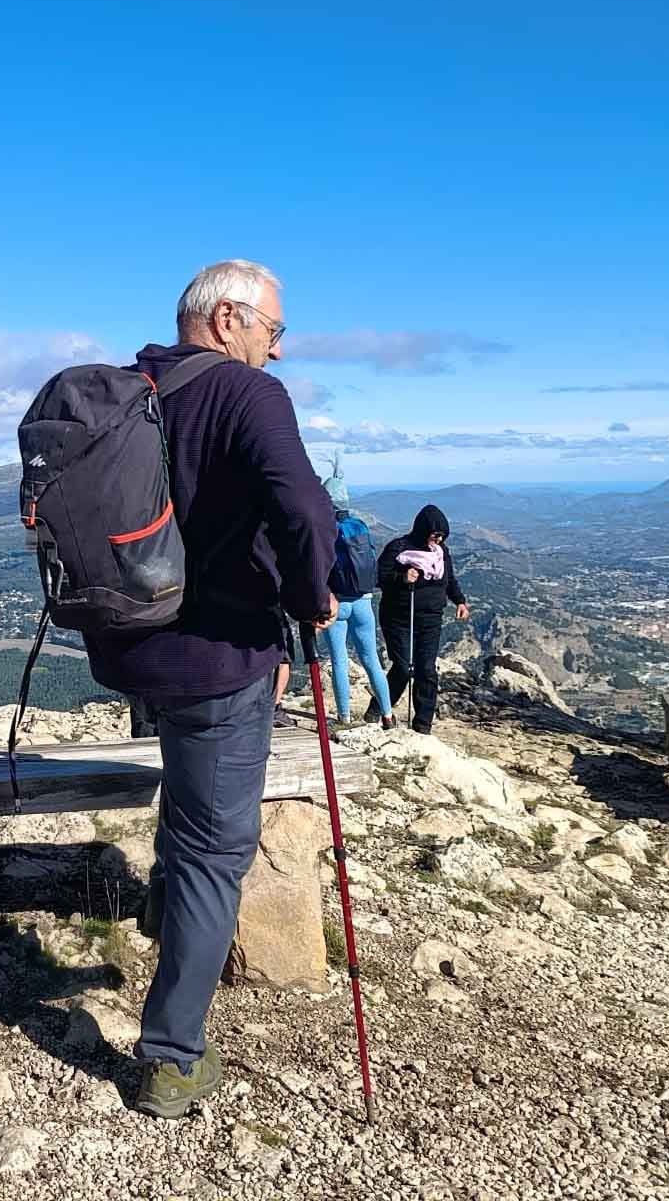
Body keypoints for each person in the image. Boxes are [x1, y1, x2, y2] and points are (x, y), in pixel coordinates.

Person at [82, 260, 336, 1120]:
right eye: (274, 329)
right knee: (214, 847)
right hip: (218, 660)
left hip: (127, 648)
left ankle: (166, 923)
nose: (278, 348)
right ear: (228, 320)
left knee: (189, 811)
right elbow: (304, 509)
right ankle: (172, 1058)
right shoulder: (246, 394)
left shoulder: (130, 387)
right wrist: (312, 598)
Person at [376, 504, 469, 735]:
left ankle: (423, 725)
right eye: (435, 534)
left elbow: (450, 579)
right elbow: (379, 577)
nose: (438, 539)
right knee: (403, 667)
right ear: (422, 529)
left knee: (426, 670)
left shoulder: (441, 552)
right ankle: (378, 708)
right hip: (398, 617)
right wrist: (402, 577)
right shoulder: (398, 548)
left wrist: (460, 601)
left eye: (442, 536)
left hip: (430, 619)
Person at [317, 463, 396, 731]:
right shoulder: (360, 526)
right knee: (371, 659)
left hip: (336, 603)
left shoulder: (325, 528)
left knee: (339, 660)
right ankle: (387, 715)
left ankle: (344, 718)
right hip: (364, 601)